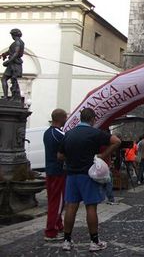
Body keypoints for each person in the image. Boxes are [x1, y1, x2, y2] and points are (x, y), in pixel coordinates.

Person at [58, 108, 121, 252]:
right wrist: (102, 155)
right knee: (91, 207)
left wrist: (72, 158)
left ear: (80, 118)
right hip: (88, 175)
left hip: (71, 175)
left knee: (71, 207)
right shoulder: (95, 133)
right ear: (92, 119)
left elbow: (60, 156)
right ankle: (94, 241)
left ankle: (67, 241)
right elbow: (117, 141)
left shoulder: (68, 134)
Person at [43, 108, 68, 241]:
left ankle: (58, 225)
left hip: (50, 170)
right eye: (65, 117)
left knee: (53, 199)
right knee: (57, 201)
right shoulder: (60, 134)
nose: (66, 120)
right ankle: (51, 231)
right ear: (61, 118)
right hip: (58, 171)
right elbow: (63, 153)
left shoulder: (47, 133)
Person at [1, 28, 24, 100]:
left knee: (4, 79)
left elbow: (16, 53)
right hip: (14, 64)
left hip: (14, 64)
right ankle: (11, 96)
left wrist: (8, 61)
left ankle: (6, 97)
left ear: (13, 35)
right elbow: (10, 51)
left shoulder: (17, 42)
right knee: (9, 80)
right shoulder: (19, 42)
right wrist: (4, 54)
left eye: (11, 35)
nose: (11, 36)